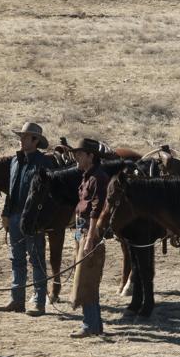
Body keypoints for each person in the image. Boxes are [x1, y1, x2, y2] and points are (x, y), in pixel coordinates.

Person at [0, 121, 54, 316]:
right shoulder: (14, 161)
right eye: (20, 136)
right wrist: (5, 213)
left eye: (25, 137)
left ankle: (39, 301)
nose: (21, 140)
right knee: (16, 260)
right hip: (14, 217)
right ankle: (17, 300)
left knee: (36, 259)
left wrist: (39, 220)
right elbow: (11, 190)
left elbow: (45, 195)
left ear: (35, 140)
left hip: (33, 219)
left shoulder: (44, 163)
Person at [67, 138, 111, 338]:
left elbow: (96, 211)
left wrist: (90, 238)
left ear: (91, 156)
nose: (75, 156)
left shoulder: (98, 178)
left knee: (87, 280)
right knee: (84, 279)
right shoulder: (87, 177)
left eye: (80, 153)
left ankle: (90, 325)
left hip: (89, 233)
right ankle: (95, 325)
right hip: (82, 232)